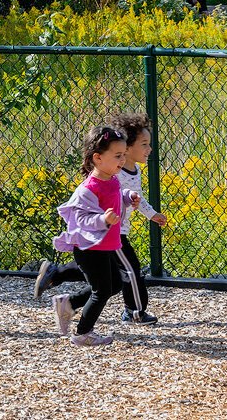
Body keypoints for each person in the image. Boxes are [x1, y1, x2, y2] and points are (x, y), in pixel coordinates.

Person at [33, 113, 166, 325]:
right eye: (144, 144)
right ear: (127, 147)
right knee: (129, 271)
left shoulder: (131, 171)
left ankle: (65, 294)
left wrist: (147, 210)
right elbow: (89, 207)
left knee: (109, 280)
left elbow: (131, 196)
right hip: (113, 232)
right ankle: (134, 312)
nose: (149, 148)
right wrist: (106, 218)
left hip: (113, 232)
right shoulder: (110, 175)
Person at [50, 125, 139, 346]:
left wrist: (128, 197)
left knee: (116, 284)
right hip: (90, 249)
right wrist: (103, 220)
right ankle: (82, 333)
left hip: (106, 246)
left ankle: (68, 303)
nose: (122, 160)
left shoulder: (112, 180)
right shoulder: (88, 189)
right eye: (117, 156)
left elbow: (116, 196)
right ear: (98, 158)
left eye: (123, 155)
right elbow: (80, 219)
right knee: (102, 290)